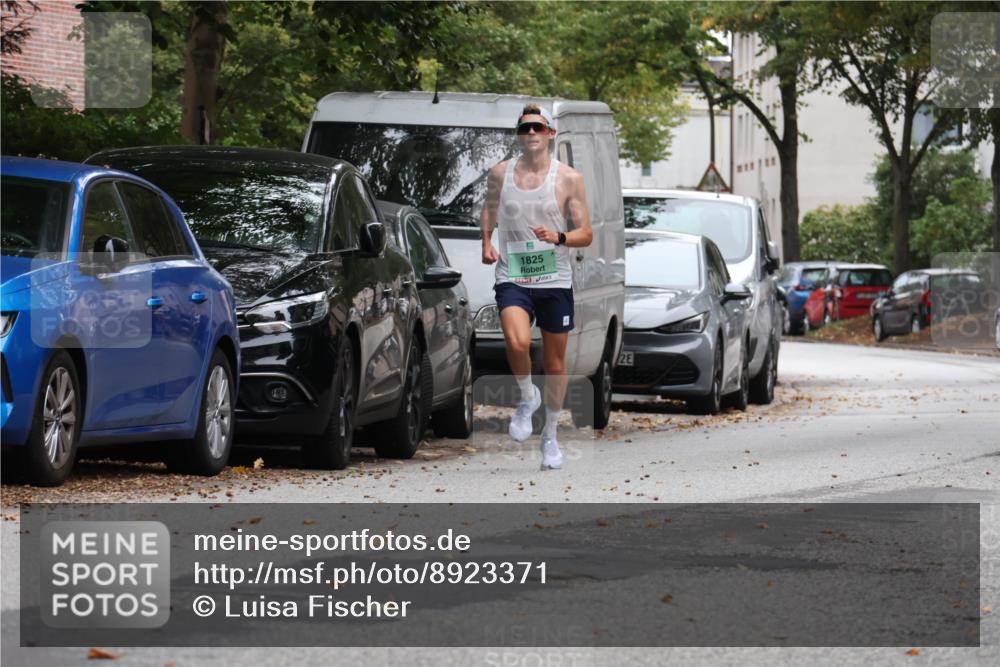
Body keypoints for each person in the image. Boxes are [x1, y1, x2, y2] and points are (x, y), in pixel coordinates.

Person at [480, 104, 593, 470]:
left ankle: (550, 437)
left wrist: (558, 235)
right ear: (519, 134)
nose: (531, 133)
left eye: (537, 128)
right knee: (516, 342)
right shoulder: (500, 173)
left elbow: (586, 234)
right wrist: (486, 241)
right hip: (512, 274)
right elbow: (489, 208)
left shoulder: (569, 179)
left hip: (555, 279)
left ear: (550, 134)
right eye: (525, 128)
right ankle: (527, 397)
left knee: (555, 363)